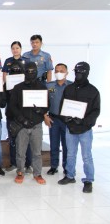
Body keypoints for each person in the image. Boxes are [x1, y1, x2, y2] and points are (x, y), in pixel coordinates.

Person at [58, 62, 100, 193]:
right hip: (70, 128)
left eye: (81, 72)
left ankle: (88, 180)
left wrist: (84, 122)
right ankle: (70, 176)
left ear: (87, 73)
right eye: (76, 71)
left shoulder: (93, 91)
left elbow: (95, 111)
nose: (78, 74)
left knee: (86, 156)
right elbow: (62, 106)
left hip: (85, 129)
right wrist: (65, 118)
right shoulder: (68, 89)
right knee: (70, 154)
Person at [9, 62, 48, 185]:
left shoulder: (42, 87)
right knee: (20, 152)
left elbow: (47, 106)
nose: (30, 73)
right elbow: (12, 107)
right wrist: (22, 119)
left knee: (37, 152)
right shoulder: (18, 88)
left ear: (36, 72)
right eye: (28, 71)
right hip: (22, 125)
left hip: (37, 124)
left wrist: (40, 111)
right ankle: (20, 172)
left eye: (33, 71)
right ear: (24, 72)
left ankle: (37, 174)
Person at [4, 60, 32, 172]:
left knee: (27, 140)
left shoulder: (27, 83)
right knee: (12, 140)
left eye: (18, 70)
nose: (15, 72)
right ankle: (13, 163)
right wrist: (10, 92)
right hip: (11, 115)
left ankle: (28, 164)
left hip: (24, 115)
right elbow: (3, 100)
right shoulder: (6, 84)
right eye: (13, 70)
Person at [44, 63, 72, 175]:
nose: (58, 73)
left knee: (67, 145)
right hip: (53, 119)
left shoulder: (71, 86)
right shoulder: (49, 86)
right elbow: (43, 102)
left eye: (61, 71)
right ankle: (54, 166)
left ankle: (66, 166)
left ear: (67, 72)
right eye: (56, 71)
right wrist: (45, 116)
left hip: (67, 120)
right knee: (54, 144)